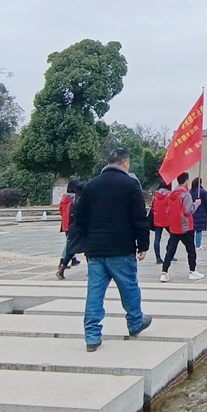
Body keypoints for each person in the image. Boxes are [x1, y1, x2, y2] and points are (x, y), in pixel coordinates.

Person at [72, 148, 152, 351]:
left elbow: (79, 218)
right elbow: (139, 218)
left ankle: (92, 336)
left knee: (95, 292)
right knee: (129, 287)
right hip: (121, 248)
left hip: (96, 250)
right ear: (126, 163)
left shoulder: (91, 185)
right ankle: (135, 323)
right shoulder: (130, 184)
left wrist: (84, 243)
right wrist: (143, 245)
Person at [160, 173, 205, 282]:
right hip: (185, 226)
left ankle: (164, 272)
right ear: (186, 181)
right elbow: (188, 210)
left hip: (174, 226)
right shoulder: (185, 194)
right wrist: (196, 204)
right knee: (191, 250)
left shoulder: (172, 194)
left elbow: (168, 210)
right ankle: (192, 271)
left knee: (170, 250)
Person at [56, 180, 83, 279]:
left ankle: (64, 265)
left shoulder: (65, 198)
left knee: (71, 246)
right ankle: (62, 264)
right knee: (71, 246)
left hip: (68, 224)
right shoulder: (75, 199)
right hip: (74, 225)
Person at [150, 180, 171, 264]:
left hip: (157, 219)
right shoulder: (169, 194)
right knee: (173, 237)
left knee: (157, 239)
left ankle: (158, 258)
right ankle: (170, 254)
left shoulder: (155, 195)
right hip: (167, 219)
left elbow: (152, 206)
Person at [190, 177, 207, 251]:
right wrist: (205, 209)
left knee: (192, 230)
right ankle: (198, 245)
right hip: (201, 213)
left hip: (192, 213)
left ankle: (191, 245)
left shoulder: (190, 192)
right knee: (199, 230)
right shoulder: (203, 192)